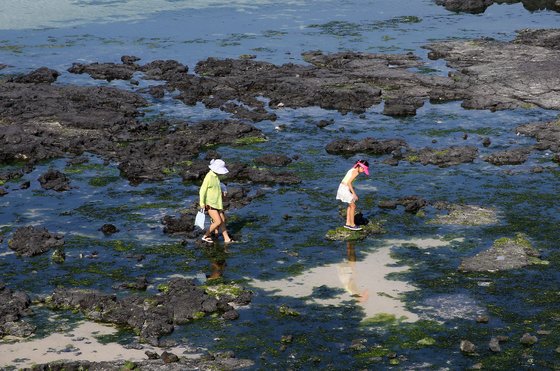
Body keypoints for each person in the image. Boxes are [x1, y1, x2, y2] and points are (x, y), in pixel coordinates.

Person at [199, 159, 234, 243]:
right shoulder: (209, 176)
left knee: (222, 221)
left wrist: (223, 190)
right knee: (218, 221)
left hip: (217, 203)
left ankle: (227, 239)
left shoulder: (215, 176)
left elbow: (217, 187)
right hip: (211, 204)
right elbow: (202, 190)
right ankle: (205, 236)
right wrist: (202, 203)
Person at [336, 159, 369, 230]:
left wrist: (350, 190)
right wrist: (354, 194)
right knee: (353, 206)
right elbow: (349, 183)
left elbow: (347, 181)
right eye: (363, 170)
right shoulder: (356, 172)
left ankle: (348, 223)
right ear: (360, 167)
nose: (363, 171)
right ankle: (352, 225)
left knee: (350, 205)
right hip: (344, 189)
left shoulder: (353, 169)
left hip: (342, 187)